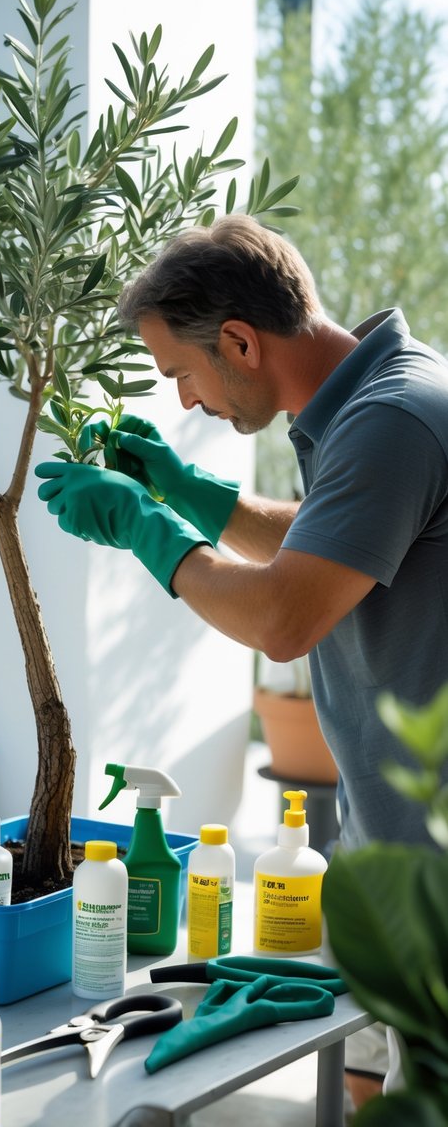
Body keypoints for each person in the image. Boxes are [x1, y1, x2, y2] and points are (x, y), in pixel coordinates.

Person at [34, 213, 448, 1104]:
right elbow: (330, 543)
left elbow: (284, 618)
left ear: (237, 341)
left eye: (180, 373)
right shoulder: (375, 402)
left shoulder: (393, 421)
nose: (183, 401)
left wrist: (145, 528)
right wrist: (187, 493)